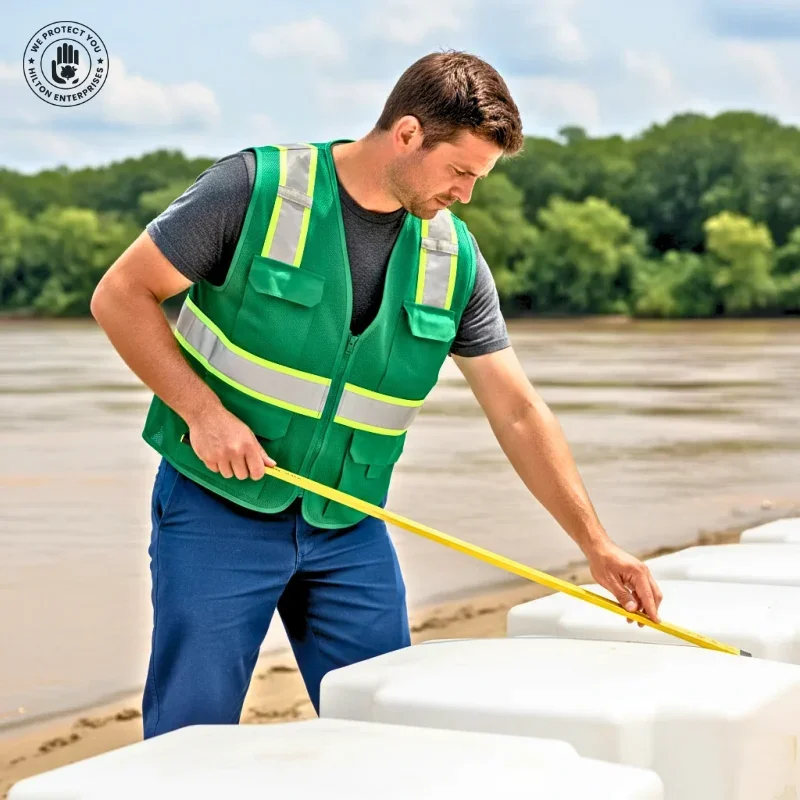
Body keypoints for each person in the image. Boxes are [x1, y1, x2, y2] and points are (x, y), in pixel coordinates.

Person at [90, 49, 663, 739]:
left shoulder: (454, 260)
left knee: (390, 729)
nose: (467, 194)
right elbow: (120, 294)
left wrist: (596, 544)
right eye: (460, 171)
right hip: (218, 508)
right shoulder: (256, 190)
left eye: (478, 178)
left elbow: (516, 410)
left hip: (348, 527)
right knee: (191, 729)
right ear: (408, 134)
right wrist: (203, 413)